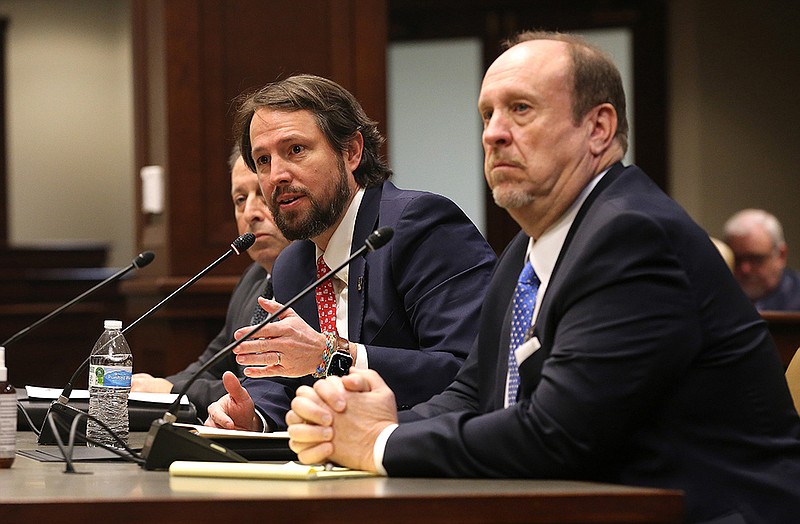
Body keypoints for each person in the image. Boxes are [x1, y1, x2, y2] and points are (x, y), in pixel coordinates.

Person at [285, 32, 800, 523]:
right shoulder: (526, 251)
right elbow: (472, 394)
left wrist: (378, 444)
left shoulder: (632, 236)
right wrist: (363, 425)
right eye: (487, 114)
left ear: (598, 128)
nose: (494, 132)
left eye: (521, 110)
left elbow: (557, 435)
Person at [204, 74, 496, 431]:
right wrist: (252, 416)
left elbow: (467, 371)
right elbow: (280, 379)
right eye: (263, 160)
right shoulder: (292, 264)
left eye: (295, 150)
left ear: (352, 151)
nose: (276, 175)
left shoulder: (418, 227)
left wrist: (333, 355)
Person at [131, 146, 290, 419]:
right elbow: (212, 365)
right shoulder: (253, 278)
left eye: (262, 195)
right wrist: (149, 389)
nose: (250, 213)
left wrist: (172, 390)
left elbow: (269, 389)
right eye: (240, 199)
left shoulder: (317, 281)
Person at [724, 208, 800, 310]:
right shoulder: (713, 297)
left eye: (756, 259)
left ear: (781, 256)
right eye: (737, 259)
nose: (745, 269)